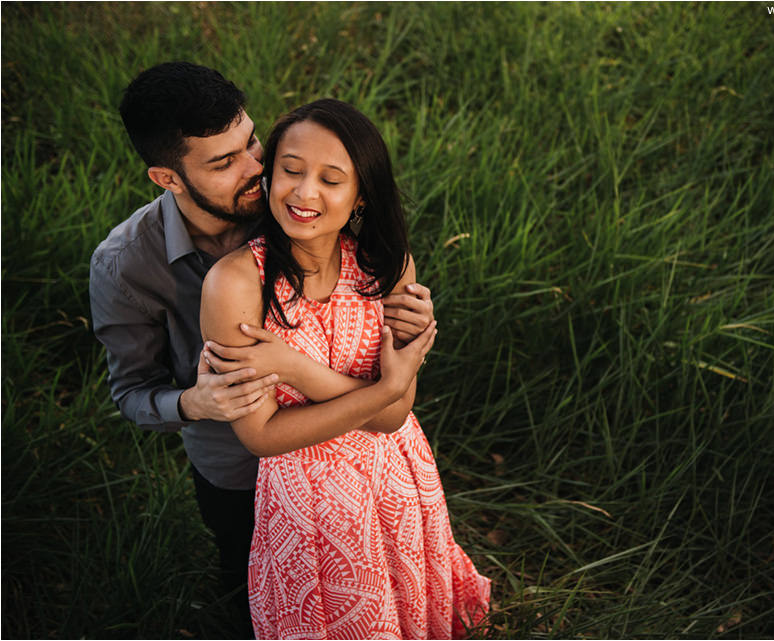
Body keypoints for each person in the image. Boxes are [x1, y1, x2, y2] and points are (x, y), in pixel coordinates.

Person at [88, 62, 436, 626]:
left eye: (250, 142)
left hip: (361, 457)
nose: (256, 167)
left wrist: (410, 317)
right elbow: (130, 390)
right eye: (224, 163)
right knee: (256, 599)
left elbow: (366, 299)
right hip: (239, 467)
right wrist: (191, 404)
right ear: (168, 178)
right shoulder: (126, 265)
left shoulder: (296, 211)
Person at [199, 98, 490, 639]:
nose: (304, 193)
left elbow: (397, 414)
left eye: (331, 180)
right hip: (305, 504)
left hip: (397, 478)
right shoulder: (236, 283)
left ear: (360, 195)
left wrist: (292, 366)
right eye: (290, 170)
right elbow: (262, 435)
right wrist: (388, 387)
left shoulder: (389, 266)